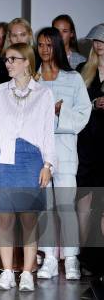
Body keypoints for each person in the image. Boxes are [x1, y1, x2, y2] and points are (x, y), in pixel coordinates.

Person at [0, 43, 56, 291]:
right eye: (6, 60)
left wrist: (47, 164)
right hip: (3, 157)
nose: (8, 63)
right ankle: (6, 272)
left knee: (29, 219)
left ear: (27, 61)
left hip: (32, 158)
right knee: (4, 218)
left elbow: (48, 133)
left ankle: (26, 272)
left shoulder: (44, 94)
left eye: (13, 59)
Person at [36, 27, 91, 280]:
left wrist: (59, 112)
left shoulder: (73, 79)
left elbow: (82, 114)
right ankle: (48, 257)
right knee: (45, 206)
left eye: (49, 45)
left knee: (65, 205)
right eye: (40, 45)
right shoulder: (34, 80)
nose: (44, 50)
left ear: (57, 46)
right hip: (40, 152)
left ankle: (71, 259)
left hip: (66, 149)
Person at [76, 24, 104, 264]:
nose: (99, 45)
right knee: (84, 202)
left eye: (103, 41)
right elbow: (77, 107)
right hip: (86, 144)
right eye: (96, 41)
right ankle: (84, 256)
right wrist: (94, 105)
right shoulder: (83, 70)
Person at [0, 18, 34, 106]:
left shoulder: (39, 58)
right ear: (9, 38)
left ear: (29, 35)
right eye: (14, 35)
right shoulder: (1, 63)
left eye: (23, 35)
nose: (19, 39)